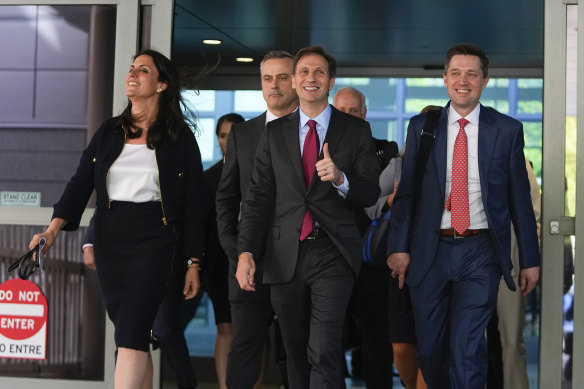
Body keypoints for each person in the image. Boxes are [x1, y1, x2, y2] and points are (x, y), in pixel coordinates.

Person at [29, 49, 205, 389]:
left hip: (156, 238)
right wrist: (51, 231)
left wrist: (194, 261)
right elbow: (80, 184)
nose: (132, 74)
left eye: (143, 70)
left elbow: (196, 204)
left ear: (161, 85)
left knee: (130, 335)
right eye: (131, 69)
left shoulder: (178, 136)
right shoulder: (109, 131)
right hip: (112, 238)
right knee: (132, 333)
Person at [386, 42, 540, 389]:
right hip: (430, 251)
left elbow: (520, 200)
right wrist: (398, 247)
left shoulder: (507, 130)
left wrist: (530, 259)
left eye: (472, 74)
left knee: (467, 350)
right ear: (445, 79)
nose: (463, 80)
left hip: (480, 252)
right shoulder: (422, 127)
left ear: (485, 81)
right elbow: (407, 191)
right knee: (431, 351)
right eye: (456, 73)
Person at [236, 46, 380, 388]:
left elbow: (371, 191)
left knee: (325, 348)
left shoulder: (355, 130)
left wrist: (341, 179)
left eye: (318, 72)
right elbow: (257, 198)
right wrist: (246, 252)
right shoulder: (273, 133)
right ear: (295, 81)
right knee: (295, 351)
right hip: (284, 253)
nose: (310, 78)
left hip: (333, 251)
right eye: (303, 72)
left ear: (330, 81)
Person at [216, 50, 298, 389]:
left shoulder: (313, 130)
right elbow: (226, 196)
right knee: (245, 349)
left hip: (300, 262)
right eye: (268, 78)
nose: (274, 85)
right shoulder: (243, 134)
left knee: (298, 350)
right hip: (249, 262)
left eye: (282, 77)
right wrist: (235, 248)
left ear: (295, 81)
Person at [82, 216, 198, 389]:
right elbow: (106, 194)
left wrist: (194, 262)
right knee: (132, 334)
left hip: (168, 250)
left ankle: (187, 383)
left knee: (165, 328)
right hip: (125, 251)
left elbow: (193, 208)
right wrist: (90, 240)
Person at [333, 86, 395, 389]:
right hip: (328, 257)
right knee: (328, 339)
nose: (347, 116)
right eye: (341, 110)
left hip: (371, 260)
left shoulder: (386, 150)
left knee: (376, 340)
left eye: (353, 110)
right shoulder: (319, 149)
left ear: (364, 114)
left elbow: (389, 203)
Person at [487, 157, 540, 389]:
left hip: (510, 263)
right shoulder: (456, 151)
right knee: (468, 342)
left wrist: (529, 262)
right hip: (465, 263)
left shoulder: (516, 159)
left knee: (511, 342)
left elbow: (534, 216)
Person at [203, 112, 244, 389]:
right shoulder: (208, 178)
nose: (227, 141)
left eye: (233, 135)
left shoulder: (259, 172)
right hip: (218, 263)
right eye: (222, 135)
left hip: (256, 260)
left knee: (252, 333)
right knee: (225, 327)